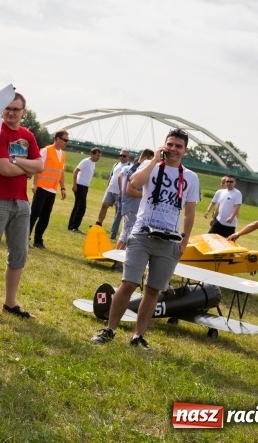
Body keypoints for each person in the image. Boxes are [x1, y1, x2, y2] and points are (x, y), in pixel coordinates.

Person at [92, 129, 199, 350]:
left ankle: (138, 336)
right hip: (142, 232)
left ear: (185, 150)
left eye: (179, 146)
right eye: (170, 144)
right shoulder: (150, 166)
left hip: (169, 239)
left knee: (153, 290)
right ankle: (110, 329)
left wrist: (184, 241)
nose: (173, 149)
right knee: (128, 283)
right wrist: (153, 161)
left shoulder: (190, 177)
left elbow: (189, 212)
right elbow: (134, 183)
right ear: (164, 145)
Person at [0, 93, 43, 318]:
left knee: (19, 253)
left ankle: (10, 303)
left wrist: (15, 162)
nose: (12, 112)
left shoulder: (27, 135)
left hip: (22, 203)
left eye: (17, 109)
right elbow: (3, 169)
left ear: (24, 111)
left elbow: (40, 166)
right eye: (8, 108)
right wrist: (27, 167)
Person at [111, 149, 154, 271]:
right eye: (151, 160)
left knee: (125, 235)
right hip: (132, 206)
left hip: (131, 206)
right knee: (127, 236)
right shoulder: (137, 169)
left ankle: (117, 261)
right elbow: (129, 190)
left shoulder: (134, 168)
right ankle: (117, 263)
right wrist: (147, 196)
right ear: (146, 158)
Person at [29, 131, 68, 249]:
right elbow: (37, 166)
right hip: (41, 187)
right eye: (65, 140)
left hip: (52, 190)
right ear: (57, 139)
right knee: (34, 215)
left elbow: (61, 172)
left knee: (45, 217)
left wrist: (63, 187)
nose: (67, 142)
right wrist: (35, 184)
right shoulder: (46, 150)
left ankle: (38, 240)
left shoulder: (63, 154)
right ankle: (25, 237)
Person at [95, 149, 131, 238]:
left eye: (124, 156)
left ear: (128, 157)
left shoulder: (130, 166)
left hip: (120, 191)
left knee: (118, 212)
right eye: (120, 155)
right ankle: (99, 223)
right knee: (104, 205)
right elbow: (111, 176)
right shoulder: (116, 164)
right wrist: (107, 186)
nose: (122, 157)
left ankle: (114, 230)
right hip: (111, 189)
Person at [67, 147, 102, 233]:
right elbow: (75, 171)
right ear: (92, 154)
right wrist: (74, 185)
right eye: (97, 155)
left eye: (99, 155)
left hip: (85, 187)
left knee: (77, 207)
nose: (99, 157)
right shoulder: (86, 161)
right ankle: (74, 227)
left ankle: (71, 226)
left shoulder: (93, 163)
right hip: (80, 186)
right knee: (81, 207)